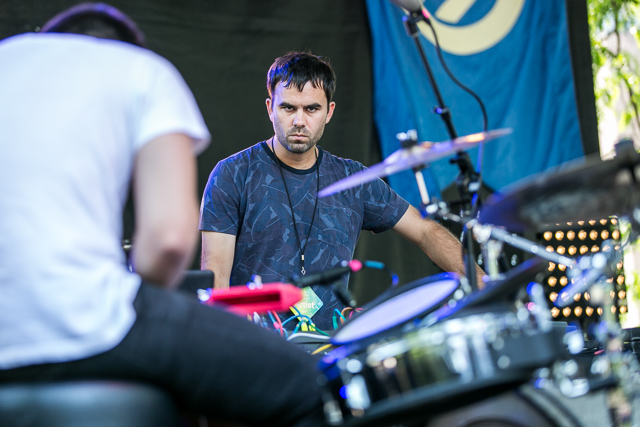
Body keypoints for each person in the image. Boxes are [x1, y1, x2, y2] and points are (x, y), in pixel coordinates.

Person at [0, 4, 326, 426]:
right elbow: (169, 239)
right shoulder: (139, 70)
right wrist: (140, 304)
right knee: (313, 386)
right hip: (81, 318)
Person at [200, 51, 484, 333]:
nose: (299, 120)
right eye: (288, 108)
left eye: (311, 109)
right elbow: (216, 283)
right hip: (259, 345)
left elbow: (425, 231)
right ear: (269, 108)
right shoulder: (232, 173)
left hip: (333, 349)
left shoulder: (352, 178)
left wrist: (483, 282)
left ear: (329, 112)